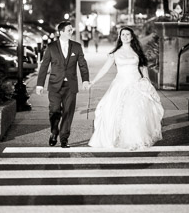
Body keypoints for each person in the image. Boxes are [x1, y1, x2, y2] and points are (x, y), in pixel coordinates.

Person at [87, 27, 163, 150]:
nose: (125, 36)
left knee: (135, 112)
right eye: (123, 34)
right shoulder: (115, 53)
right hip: (120, 84)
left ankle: (136, 140)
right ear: (120, 36)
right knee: (117, 112)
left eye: (128, 34)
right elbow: (104, 69)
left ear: (132, 37)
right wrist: (93, 81)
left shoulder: (137, 52)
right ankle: (119, 138)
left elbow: (144, 68)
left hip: (137, 84)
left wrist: (147, 82)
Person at [35, 21, 91, 149]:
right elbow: (44, 66)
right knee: (54, 111)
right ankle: (54, 131)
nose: (71, 32)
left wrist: (85, 80)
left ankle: (64, 138)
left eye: (72, 30)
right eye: (69, 30)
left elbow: (82, 64)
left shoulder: (77, 46)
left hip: (71, 86)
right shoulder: (51, 47)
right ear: (61, 32)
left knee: (68, 112)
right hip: (55, 85)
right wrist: (39, 85)